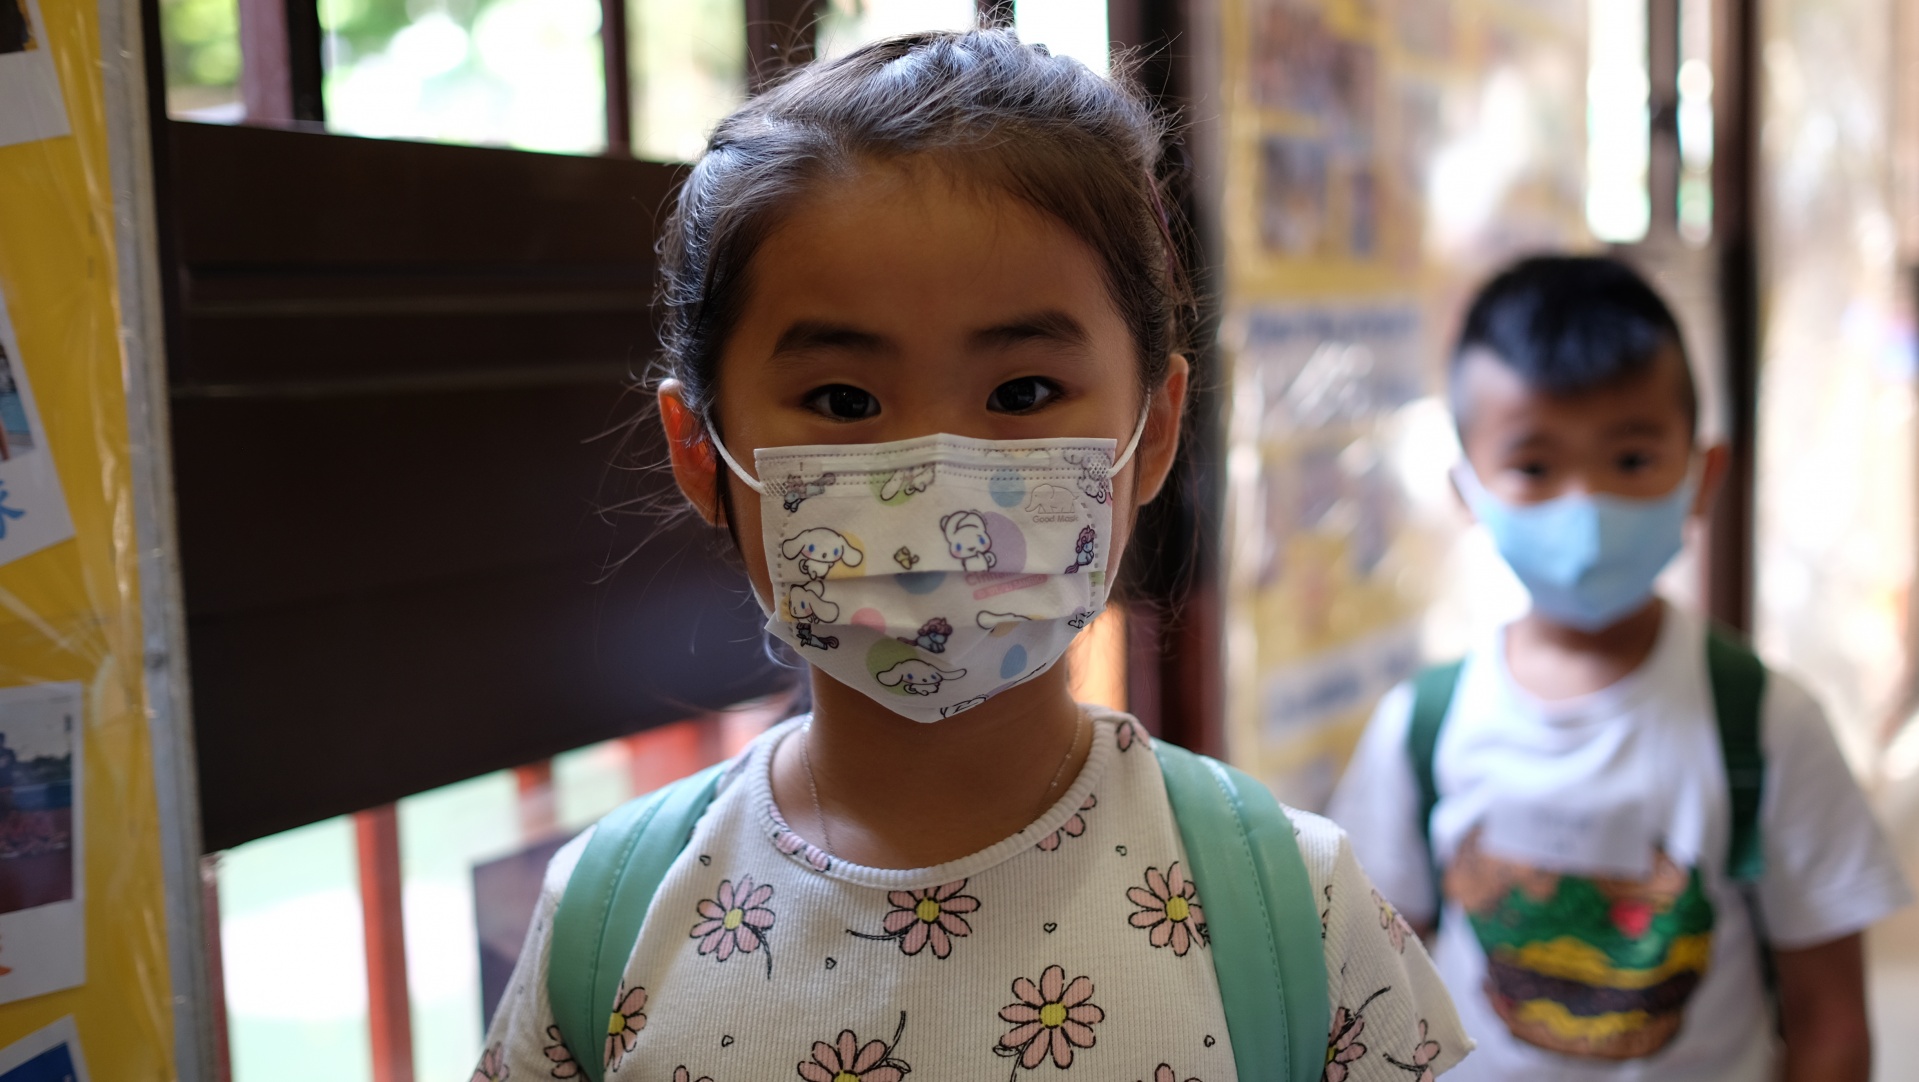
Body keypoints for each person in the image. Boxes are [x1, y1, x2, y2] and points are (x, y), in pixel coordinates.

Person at [477, 29, 1468, 1082]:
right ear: (699, 449)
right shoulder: (609, 919)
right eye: (842, 400)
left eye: (1022, 392)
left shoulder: (1293, 910)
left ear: (1154, 429)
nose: (931, 470)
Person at [1327, 255, 1914, 1081]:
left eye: (1631, 460)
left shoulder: (1768, 724)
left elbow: (1830, 1021)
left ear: (1701, 477)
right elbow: (1367, 993)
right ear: (1466, 492)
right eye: (1533, 467)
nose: (1585, 505)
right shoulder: (1419, 730)